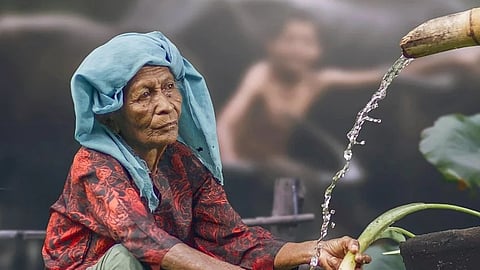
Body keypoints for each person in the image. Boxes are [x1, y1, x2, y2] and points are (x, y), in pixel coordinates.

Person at [41, 32, 370, 270]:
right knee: (124, 259)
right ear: (112, 116)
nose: (166, 107)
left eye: (169, 88)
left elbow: (234, 242)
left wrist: (313, 250)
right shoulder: (94, 165)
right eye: (144, 95)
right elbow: (145, 241)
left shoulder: (182, 163)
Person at [217, 10, 384, 180]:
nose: (297, 50)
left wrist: (410, 58)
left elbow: (376, 76)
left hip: (276, 167)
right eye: (289, 40)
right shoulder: (261, 74)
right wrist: (232, 164)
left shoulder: (317, 81)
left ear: (319, 50)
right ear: (271, 44)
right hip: (242, 166)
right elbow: (225, 124)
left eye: (307, 42)